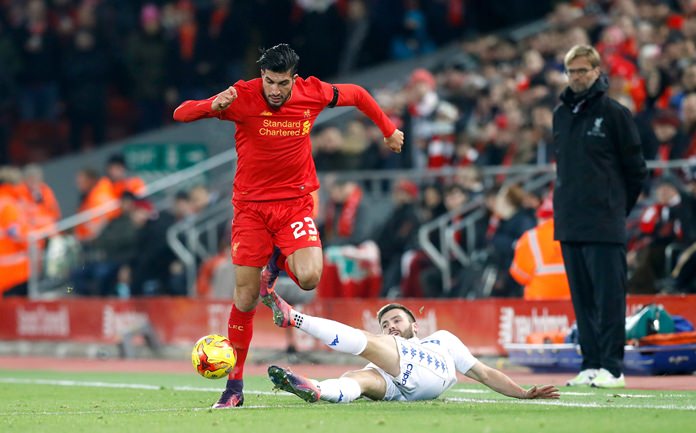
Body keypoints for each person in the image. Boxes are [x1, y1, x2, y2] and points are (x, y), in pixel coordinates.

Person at [172, 43, 404, 408]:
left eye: (281, 83)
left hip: (294, 205)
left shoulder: (312, 92)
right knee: (245, 299)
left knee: (311, 277)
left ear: (294, 79)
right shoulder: (241, 95)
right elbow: (180, 113)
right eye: (268, 81)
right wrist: (210, 106)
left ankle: (273, 268)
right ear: (260, 76)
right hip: (250, 210)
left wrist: (388, 130)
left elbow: (358, 94)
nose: (275, 90)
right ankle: (234, 389)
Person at [261, 286, 560, 404]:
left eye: (396, 321)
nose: (391, 326)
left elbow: (483, 372)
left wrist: (521, 393)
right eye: (386, 324)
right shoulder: (389, 349)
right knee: (357, 379)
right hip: (401, 389)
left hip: (429, 371)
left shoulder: (440, 339)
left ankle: (294, 317)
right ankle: (317, 389)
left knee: (367, 343)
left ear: (415, 326)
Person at [553, 45, 647, 389]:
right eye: (571, 71)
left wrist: (615, 208)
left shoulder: (614, 113)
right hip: (570, 220)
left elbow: (636, 170)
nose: (577, 77)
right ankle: (590, 363)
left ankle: (613, 367)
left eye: (583, 70)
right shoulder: (560, 115)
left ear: (596, 71)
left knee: (609, 299)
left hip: (605, 222)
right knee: (582, 298)